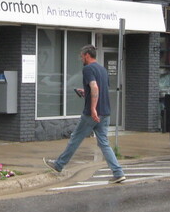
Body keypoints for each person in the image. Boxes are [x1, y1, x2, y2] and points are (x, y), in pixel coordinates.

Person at [44, 44, 126, 183]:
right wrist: (85, 92)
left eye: (82, 56)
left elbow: (94, 87)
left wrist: (93, 108)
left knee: (75, 138)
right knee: (104, 143)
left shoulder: (88, 69)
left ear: (87, 55)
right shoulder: (102, 69)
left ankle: (59, 165)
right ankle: (118, 173)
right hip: (105, 112)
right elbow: (100, 89)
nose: (81, 58)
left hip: (91, 113)